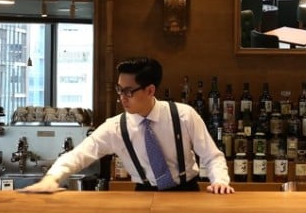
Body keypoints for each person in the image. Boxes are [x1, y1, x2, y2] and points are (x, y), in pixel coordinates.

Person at [23, 57, 234, 194]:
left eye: (129, 91)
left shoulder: (183, 115)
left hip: (187, 192)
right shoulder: (115, 127)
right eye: (119, 90)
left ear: (150, 90)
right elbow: (79, 155)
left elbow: (211, 156)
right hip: (143, 193)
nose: (122, 98)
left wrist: (220, 181)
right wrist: (53, 177)